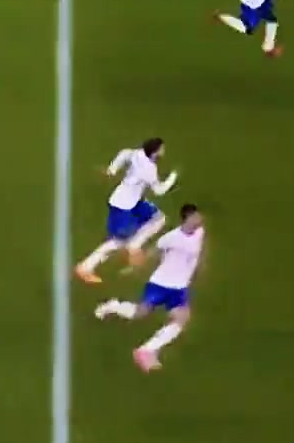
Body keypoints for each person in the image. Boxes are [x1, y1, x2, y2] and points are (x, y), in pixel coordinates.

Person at [94, 203, 205, 373]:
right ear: (186, 219)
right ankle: (113, 306)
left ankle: (146, 350)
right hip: (160, 283)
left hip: (179, 287)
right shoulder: (172, 238)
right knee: (141, 312)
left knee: (181, 319)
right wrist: (134, 267)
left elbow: (196, 253)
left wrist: (194, 269)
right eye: (195, 217)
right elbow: (154, 251)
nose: (199, 219)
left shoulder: (199, 233)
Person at [74, 138, 177, 283]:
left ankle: (134, 245)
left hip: (133, 201)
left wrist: (112, 169)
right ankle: (85, 267)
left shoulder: (138, 154)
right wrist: (172, 178)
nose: (163, 152)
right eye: (161, 149)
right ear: (155, 153)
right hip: (122, 206)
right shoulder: (149, 169)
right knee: (117, 242)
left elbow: (124, 154)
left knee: (158, 218)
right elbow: (159, 191)